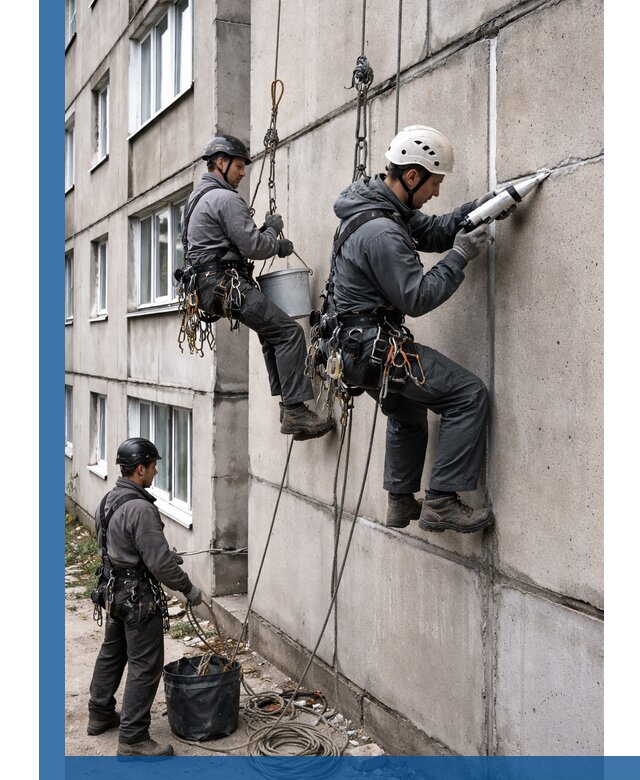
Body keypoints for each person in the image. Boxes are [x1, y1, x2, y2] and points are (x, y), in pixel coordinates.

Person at [329, 125, 514, 533]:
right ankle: (442, 502)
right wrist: (460, 255)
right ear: (411, 177)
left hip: (361, 349)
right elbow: (418, 297)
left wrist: (475, 211)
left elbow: (429, 231)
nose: (436, 192)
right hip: (375, 347)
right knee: (467, 394)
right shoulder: (382, 232)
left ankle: (400, 500)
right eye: (434, 183)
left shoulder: (379, 209)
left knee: (407, 409)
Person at [182, 134, 333, 441]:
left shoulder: (197, 199)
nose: (243, 172)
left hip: (207, 285)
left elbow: (232, 243)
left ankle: (289, 406)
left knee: (271, 333)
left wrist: (266, 232)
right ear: (221, 163)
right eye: (239, 165)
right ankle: (294, 410)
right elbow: (252, 247)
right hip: (224, 282)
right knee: (289, 332)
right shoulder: (225, 198)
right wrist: (276, 241)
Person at [87, 437, 203, 757]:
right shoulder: (141, 509)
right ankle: (134, 738)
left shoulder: (109, 500)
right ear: (140, 469)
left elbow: (115, 545)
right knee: (145, 665)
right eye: (153, 467)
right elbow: (160, 565)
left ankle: (99, 713)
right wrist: (189, 589)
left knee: (113, 652)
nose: (155, 473)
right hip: (138, 599)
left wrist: (159, 555)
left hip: (113, 592)